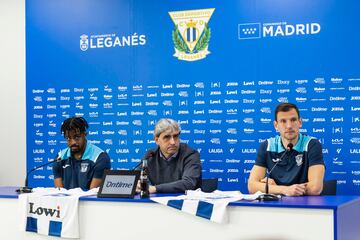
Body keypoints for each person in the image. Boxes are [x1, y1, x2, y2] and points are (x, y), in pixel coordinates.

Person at [248, 103, 325, 196]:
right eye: (283, 121)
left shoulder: (311, 144)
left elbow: (315, 188)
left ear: (300, 122)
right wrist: (284, 190)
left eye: (293, 120)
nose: (289, 126)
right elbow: (252, 186)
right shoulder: (267, 146)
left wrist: (274, 189)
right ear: (276, 125)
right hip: (277, 206)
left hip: (305, 206)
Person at [137, 118, 202, 193]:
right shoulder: (150, 155)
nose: (173, 142)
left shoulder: (190, 154)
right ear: (157, 140)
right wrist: (137, 185)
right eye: (167, 137)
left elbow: (188, 183)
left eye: (175, 136)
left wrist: (155, 189)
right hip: (158, 203)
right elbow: (137, 176)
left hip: (185, 203)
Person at [53, 117, 111, 190]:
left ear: (85, 134)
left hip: (87, 201)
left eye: (77, 137)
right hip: (66, 201)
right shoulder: (59, 158)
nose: (73, 142)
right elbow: (60, 193)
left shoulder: (100, 158)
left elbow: (92, 195)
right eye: (68, 138)